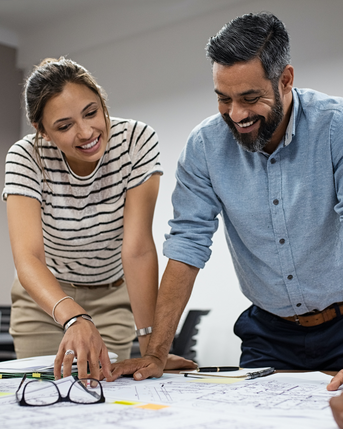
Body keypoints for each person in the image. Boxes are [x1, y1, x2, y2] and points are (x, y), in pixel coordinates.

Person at [107, 11, 343, 386]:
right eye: (223, 99)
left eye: (250, 98)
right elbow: (186, 246)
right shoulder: (205, 146)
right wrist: (155, 352)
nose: (236, 115)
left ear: (285, 79)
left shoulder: (335, 126)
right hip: (268, 333)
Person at [2, 57, 194, 380]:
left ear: (102, 99)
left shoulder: (136, 141)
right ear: (43, 131)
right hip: (45, 302)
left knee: (101, 396)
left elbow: (137, 249)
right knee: (45, 399)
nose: (87, 132)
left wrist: (152, 350)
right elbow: (28, 258)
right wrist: (74, 318)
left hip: (111, 297)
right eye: (64, 126)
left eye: (91, 112)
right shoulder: (26, 157)